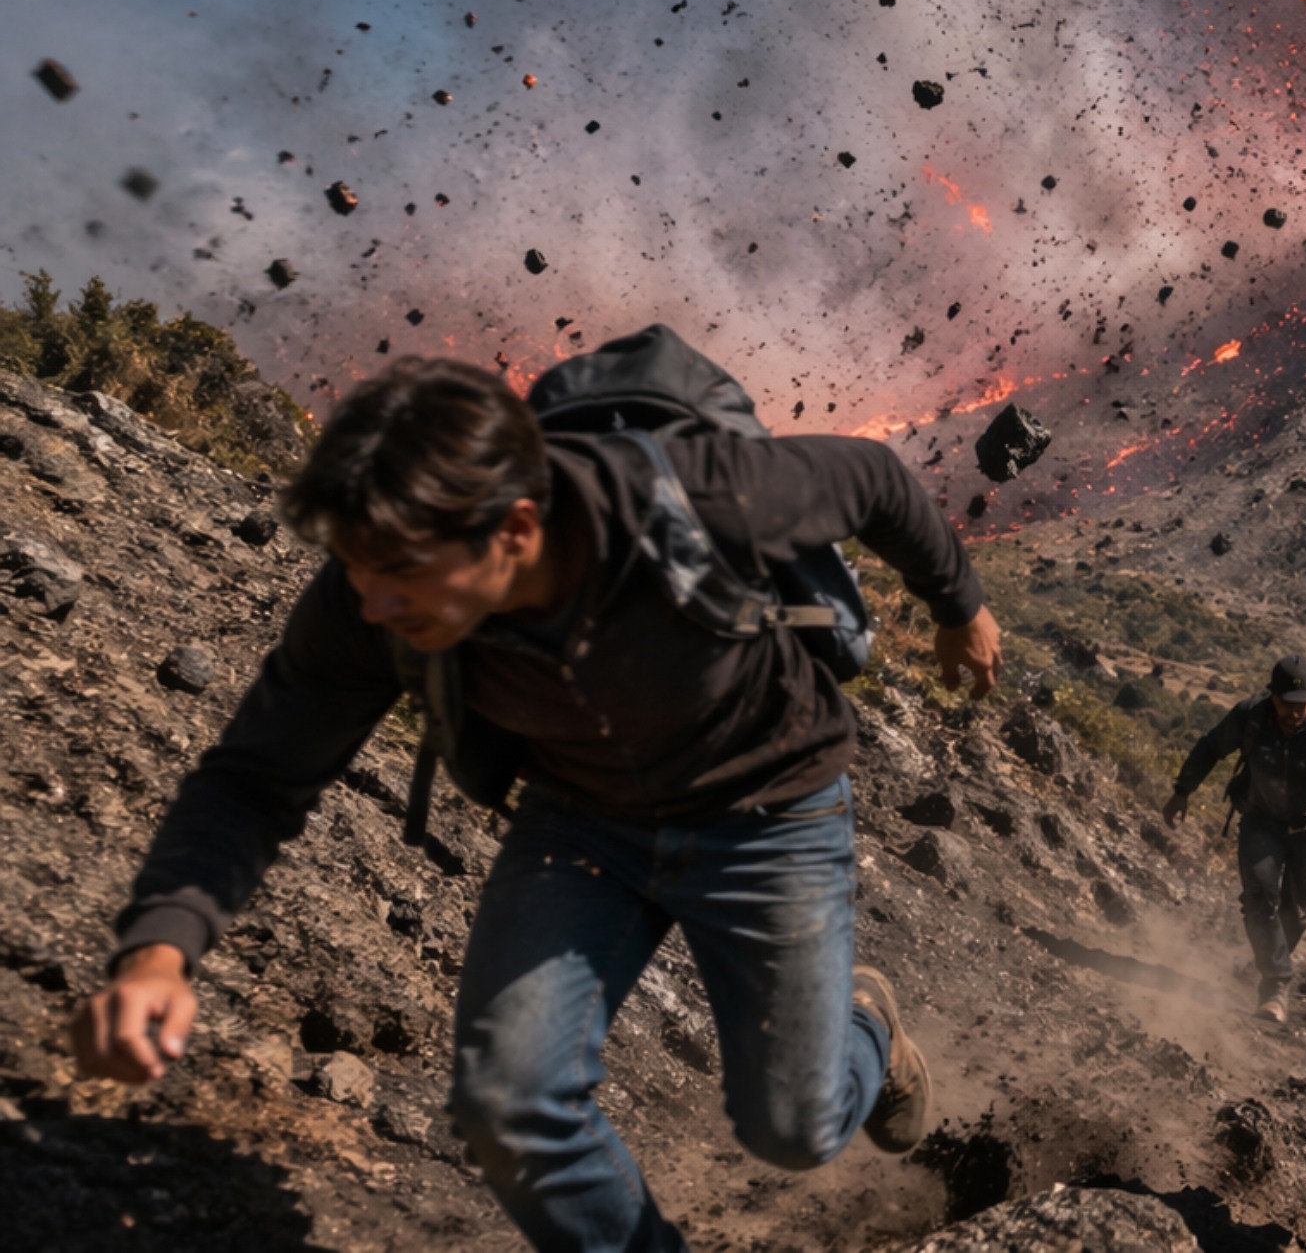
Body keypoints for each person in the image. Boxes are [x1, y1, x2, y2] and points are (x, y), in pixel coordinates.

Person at [67, 357, 1002, 1253]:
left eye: (400, 573)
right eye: (356, 570)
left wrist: (958, 605)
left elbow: (876, 478)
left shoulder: (696, 498)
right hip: (584, 821)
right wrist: (159, 950)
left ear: (515, 528)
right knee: (509, 1104)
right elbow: (256, 775)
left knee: (796, 1129)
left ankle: (867, 1024)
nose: (374, 604)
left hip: (768, 813)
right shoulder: (374, 588)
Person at [1163, 654, 1306, 1022]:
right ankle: (1275, 985)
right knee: (1259, 897)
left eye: (1301, 704)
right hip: (1261, 822)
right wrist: (1182, 790)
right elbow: (1211, 747)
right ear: (1272, 695)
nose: (1293, 712)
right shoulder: (1250, 717)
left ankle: (1267, 962)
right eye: (1286, 703)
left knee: (1297, 915)